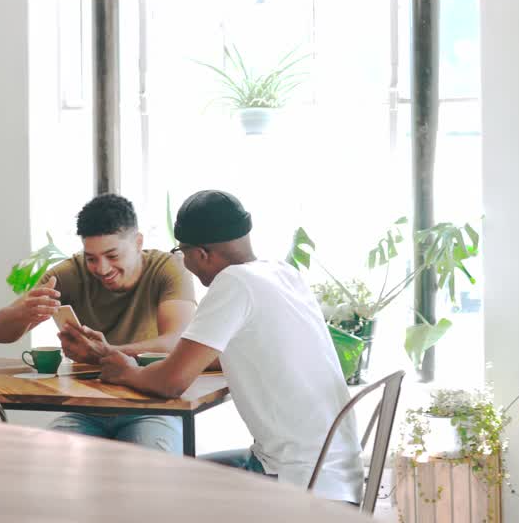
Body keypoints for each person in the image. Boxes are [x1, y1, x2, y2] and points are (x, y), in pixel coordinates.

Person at [70, 190, 364, 503]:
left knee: (165, 489)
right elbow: (223, 358)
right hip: (335, 474)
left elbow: (172, 382)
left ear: (202, 253)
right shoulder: (283, 274)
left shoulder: (234, 283)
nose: (185, 264)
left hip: (299, 484)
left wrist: (126, 372)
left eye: (182, 253)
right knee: (183, 475)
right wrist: (136, 361)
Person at [0, 193, 197, 452]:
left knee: (150, 467)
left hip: (151, 406)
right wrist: (25, 312)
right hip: (86, 408)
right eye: (92, 258)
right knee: (46, 458)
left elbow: (178, 342)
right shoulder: (71, 273)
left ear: (138, 242)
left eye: (112, 255)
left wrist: (103, 354)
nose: (102, 268)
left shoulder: (167, 269)